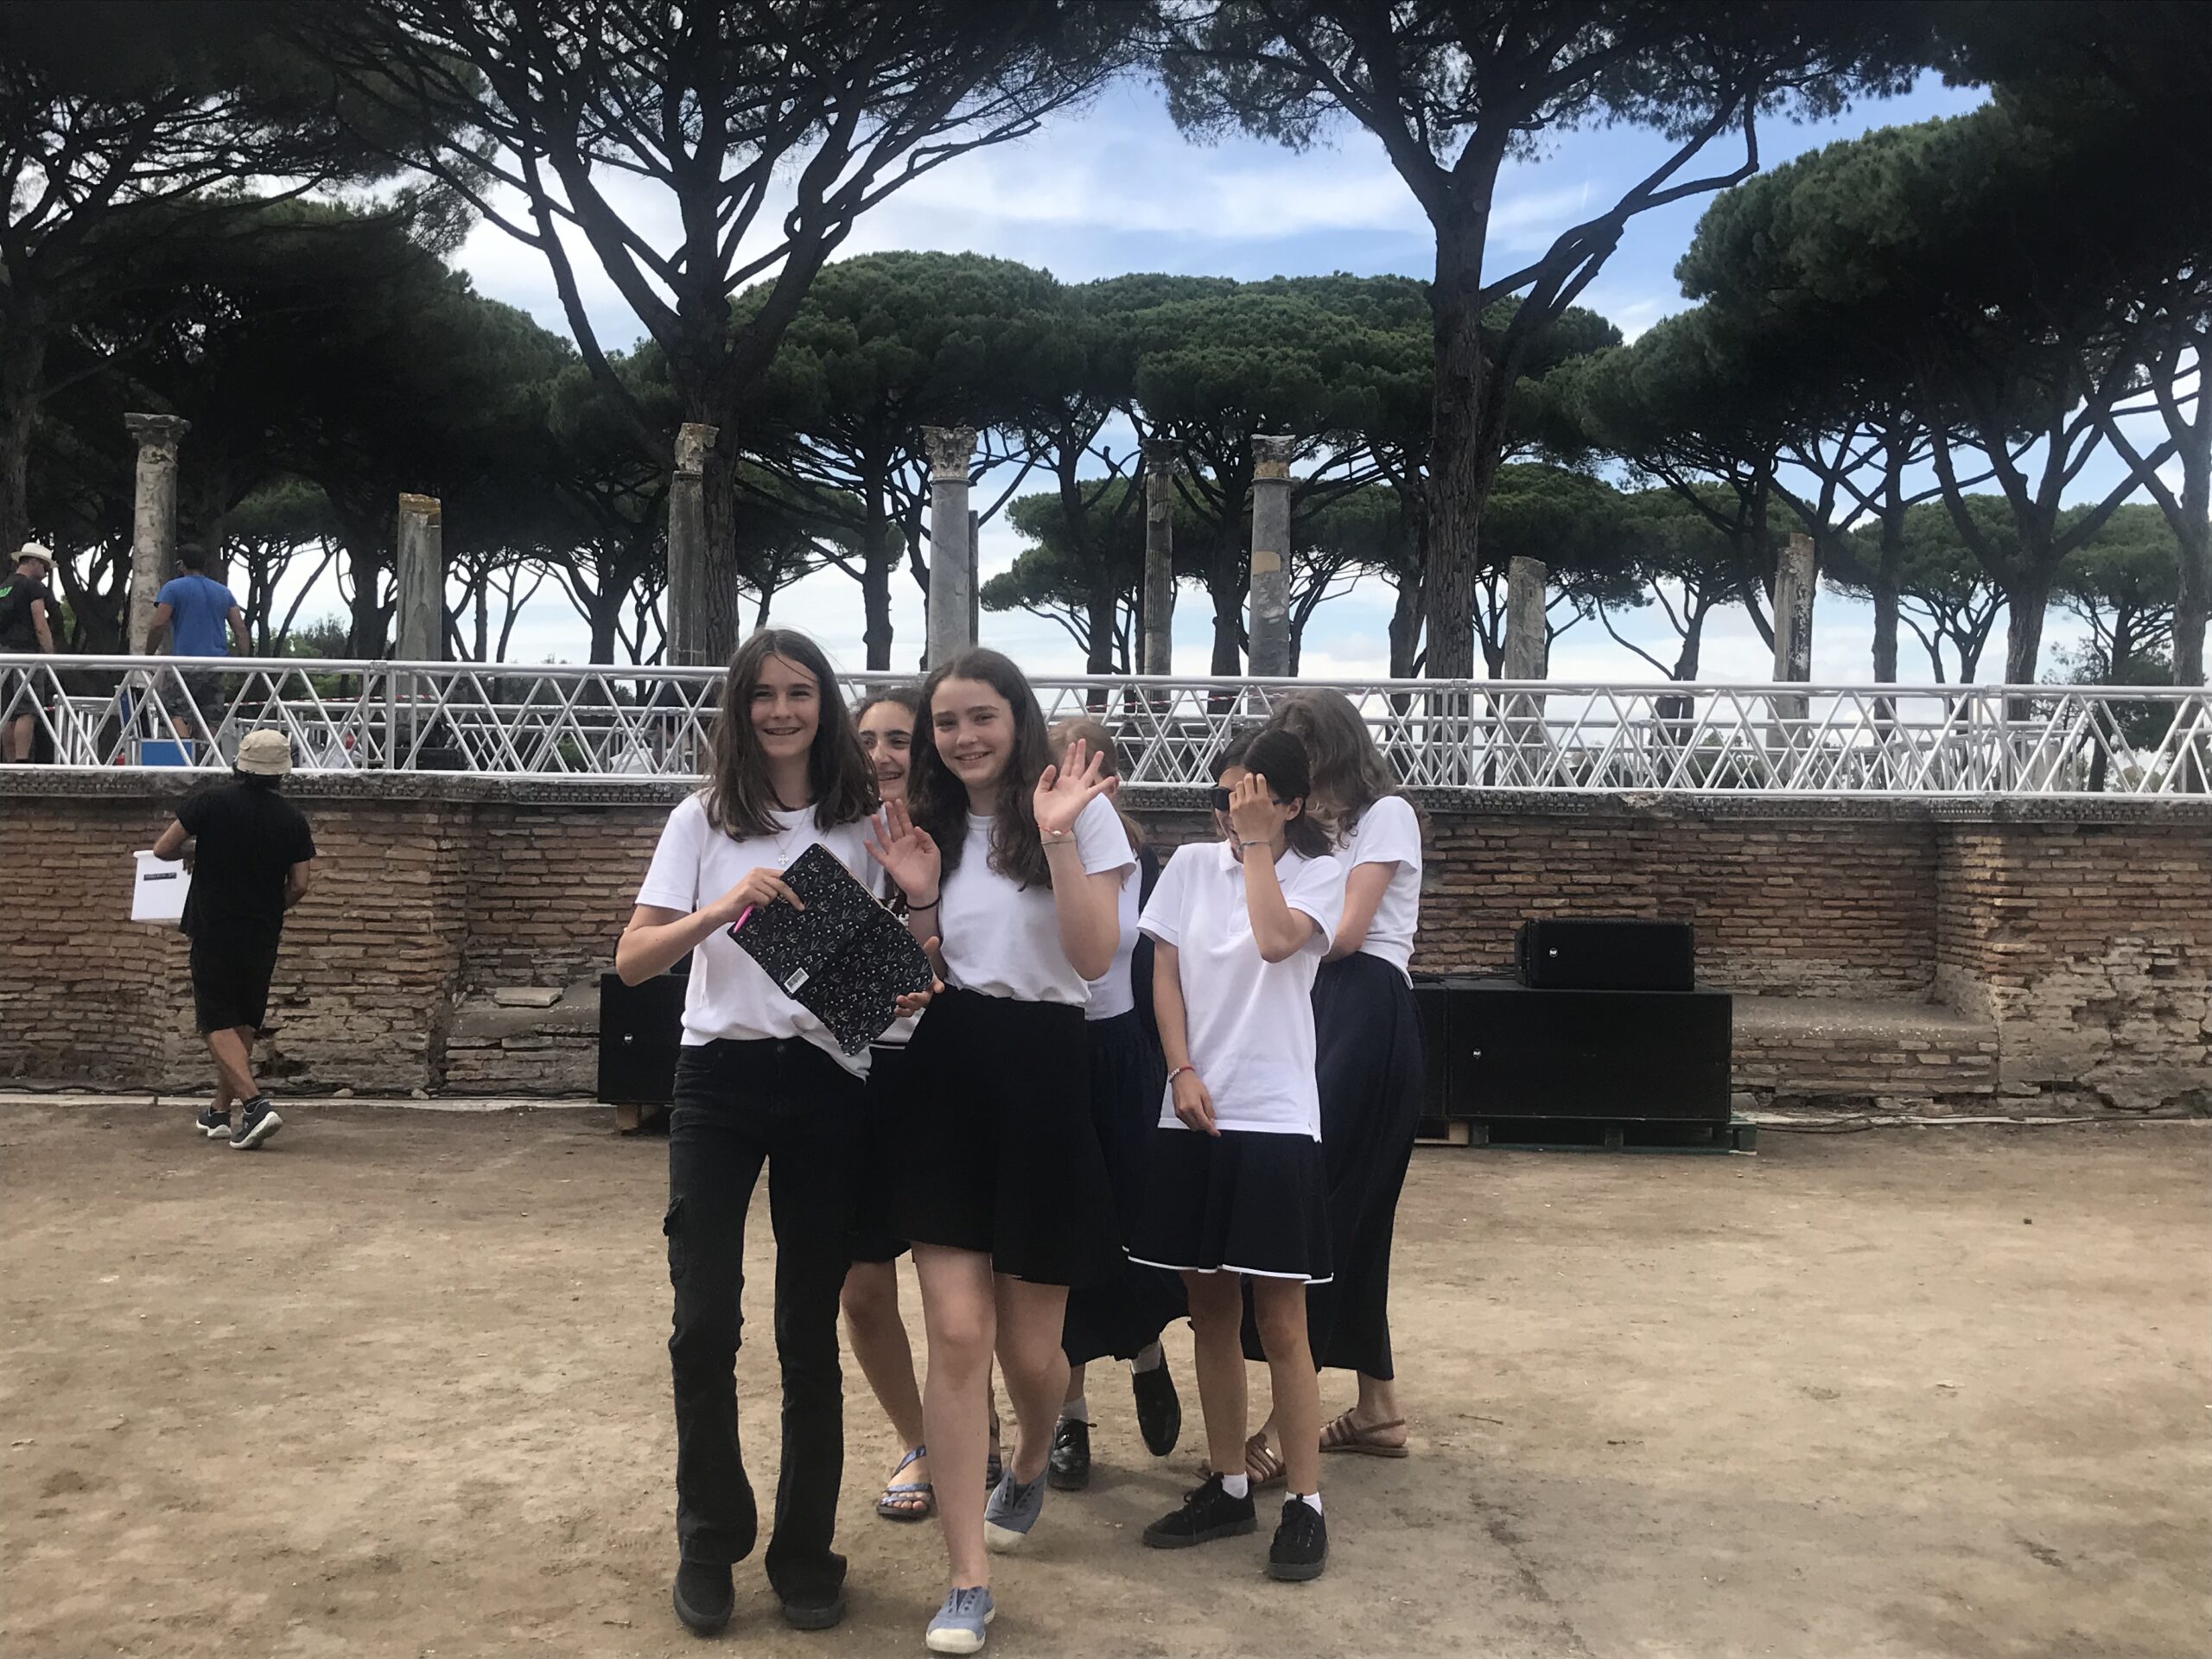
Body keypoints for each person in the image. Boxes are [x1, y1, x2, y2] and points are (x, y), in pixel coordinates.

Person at [614, 629, 934, 1640]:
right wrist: (723, 906)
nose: (784, 710)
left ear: (824, 704)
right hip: (718, 1077)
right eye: (764, 694)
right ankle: (709, 1540)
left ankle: (805, 1554)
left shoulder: (865, 820)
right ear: (740, 708)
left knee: (808, 1329)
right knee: (703, 1319)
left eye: (801, 692)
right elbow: (633, 959)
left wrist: (911, 953)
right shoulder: (702, 817)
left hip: (829, 1079)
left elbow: (910, 963)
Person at [865, 648, 1129, 1656]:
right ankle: (966, 1578)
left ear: (1016, 718)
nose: (963, 737)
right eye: (946, 722)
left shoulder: (1074, 811)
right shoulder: (920, 826)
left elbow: (1093, 958)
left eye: (981, 716)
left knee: (1030, 1354)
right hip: (948, 1070)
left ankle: (1029, 1455)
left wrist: (1057, 837)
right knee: (959, 1335)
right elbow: (923, 971)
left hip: (1046, 1073)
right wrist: (919, 901)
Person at [1128, 728, 1345, 1581]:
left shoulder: (1319, 873)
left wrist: (1258, 846)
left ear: (1290, 804)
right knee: (1208, 1310)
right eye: (1222, 799)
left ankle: (1305, 1501)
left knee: (1282, 1322)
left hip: (1277, 1115)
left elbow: (1274, 940)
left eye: (1249, 800)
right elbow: (1164, 974)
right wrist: (1179, 1069)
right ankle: (1225, 1485)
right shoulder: (1188, 867)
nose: (1229, 814)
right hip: (1194, 1109)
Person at [1243, 689, 1427, 1479]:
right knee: (1353, 1212)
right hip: (1321, 1003)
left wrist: (1286, 912)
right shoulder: (1313, 834)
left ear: (1332, 751)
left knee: (1324, 1205)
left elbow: (1346, 933)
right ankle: (1378, 1406)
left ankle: (1286, 1421)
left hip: (1365, 1005)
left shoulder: (1386, 816)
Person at [1045, 717, 1184, 1493]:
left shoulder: (1144, 861)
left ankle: (1147, 1353)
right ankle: (1070, 1416)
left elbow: (1162, 968)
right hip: (1053, 1050)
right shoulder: (1030, 845)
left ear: (1111, 779)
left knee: (1134, 1223)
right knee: (1060, 1237)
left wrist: (1178, 1062)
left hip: (1124, 1053)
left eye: (1086, 769)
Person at [149, 728, 316, 1149]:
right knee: (243, 1018)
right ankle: (220, 1111)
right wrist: (271, 907)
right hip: (262, 930)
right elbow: (299, 884)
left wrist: (193, 854)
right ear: (282, 772)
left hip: (214, 924)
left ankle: (255, 1105)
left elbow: (162, 849)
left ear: (240, 764)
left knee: (215, 1019)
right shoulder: (292, 819)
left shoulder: (211, 802)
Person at [147, 545, 249, 746]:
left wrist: (148, 654)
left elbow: (159, 624)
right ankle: (206, 754)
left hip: (184, 664)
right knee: (211, 714)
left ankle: (186, 752)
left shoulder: (172, 588)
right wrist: (244, 664)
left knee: (172, 707)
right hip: (216, 665)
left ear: (181, 564)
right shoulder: (223, 592)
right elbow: (241, 630)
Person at [0, 542, 60, 762]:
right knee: (27, 709)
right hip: (26, 654)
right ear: (34, 562)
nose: (47, 572)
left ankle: (9, 763)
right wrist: (50, 656)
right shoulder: (33, 587)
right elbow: (40, 624)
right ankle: (22, 761)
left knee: (7, 712)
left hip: (3, 655)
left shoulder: (5, 586)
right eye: (45, 566)